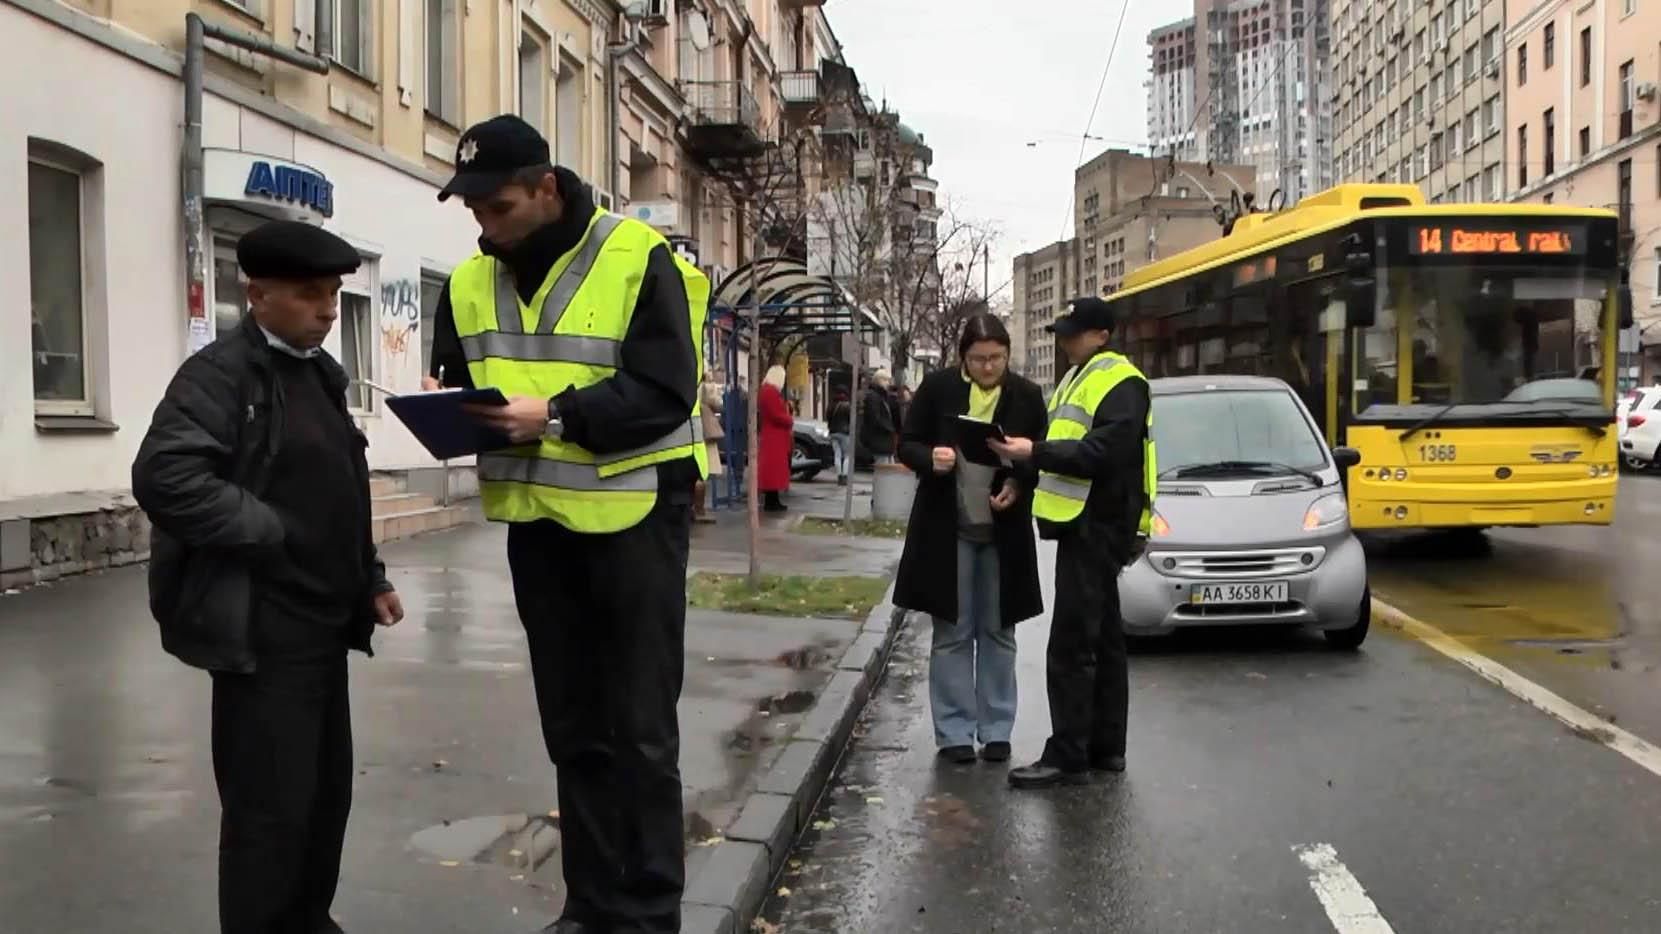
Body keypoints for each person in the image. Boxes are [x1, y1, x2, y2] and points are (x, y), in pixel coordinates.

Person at [422, 114, 709, 934]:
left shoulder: (633, 255)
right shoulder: (472, 279)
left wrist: (548, 416)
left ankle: (650, 914)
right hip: (538, 527)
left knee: (643, 733)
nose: (486, 226)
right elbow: (456, 379)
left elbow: (664, 392)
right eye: (473, 211)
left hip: (631, 521)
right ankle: (590, 906)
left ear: (547, 189)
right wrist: (443, 407)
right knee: (575, 730)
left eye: (500, 207)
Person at [131, 220, 405, 934]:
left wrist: (367, 573)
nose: (325, 310)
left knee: (321, 798)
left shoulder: (319, 373)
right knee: (268, 811)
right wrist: (267, 527)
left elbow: (340, 484)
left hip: (322, 624)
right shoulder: (221, 375)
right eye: (310, 295)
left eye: (335, 296)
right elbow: (166, 476)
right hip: (261, 626)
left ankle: (307, 920)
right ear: (257, 295)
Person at [988, 297, 1153, 790]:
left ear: (1103, 334)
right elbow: (1065, 442)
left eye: (1073, 332)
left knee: (1073, 643)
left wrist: (1033, 451)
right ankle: (1105, 749)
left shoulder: (1121, 381)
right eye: (1061, 332)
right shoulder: (1078, 377)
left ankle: (1069, 756)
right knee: (1101, 639)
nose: (1063, 341)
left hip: (1098, 524)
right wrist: (1024, 470)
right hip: (1085, 522)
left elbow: (1104, 452)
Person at [894, 313, 1047, 765]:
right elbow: (907, 444)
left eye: (996, 358)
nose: (987, 367)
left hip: (1004, 532)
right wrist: (931, 457)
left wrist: (1019, 483)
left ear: (1007, 355)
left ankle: (997, 729)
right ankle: (955, 732)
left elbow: (1041, 454)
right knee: (953, 631)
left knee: (999, 631)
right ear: (963, 357)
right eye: (978, 359)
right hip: (949, 529)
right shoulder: (939, 388)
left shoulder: (1026, 395)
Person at [757, 364, 794, 513]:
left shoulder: (766, 391)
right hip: (774, 437)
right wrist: (789, 419)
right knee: (774, 471)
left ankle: (773, 500)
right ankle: (772, 502)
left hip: (773, 436)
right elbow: (776, 415)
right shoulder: (770, 392)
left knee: (773, 471)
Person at [695, 368, 725, 522]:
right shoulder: (706, 386)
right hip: (704, 429)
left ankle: (694, 509)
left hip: (693, 427)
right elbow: (717, 403)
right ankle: (699, 510)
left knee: (695, 472)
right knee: (702, 472)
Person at [860, 369, 898, 465]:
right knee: (883, 471)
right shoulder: (874, 397)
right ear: (880, 380)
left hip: (884, 442)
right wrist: (889, 428)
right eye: (886, 380)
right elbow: (875, 418)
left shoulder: (882, 397)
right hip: (880, 441)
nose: (888, 383)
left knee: (887, 471)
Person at [827, 388, 852, 485]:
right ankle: (844, 476)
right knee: (847, 455)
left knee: (837, 455)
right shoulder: (847, 405)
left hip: (833, 433)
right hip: (844, 433)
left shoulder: (831, 405)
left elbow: (828, 418)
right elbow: (851, 419)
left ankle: (839, 476)